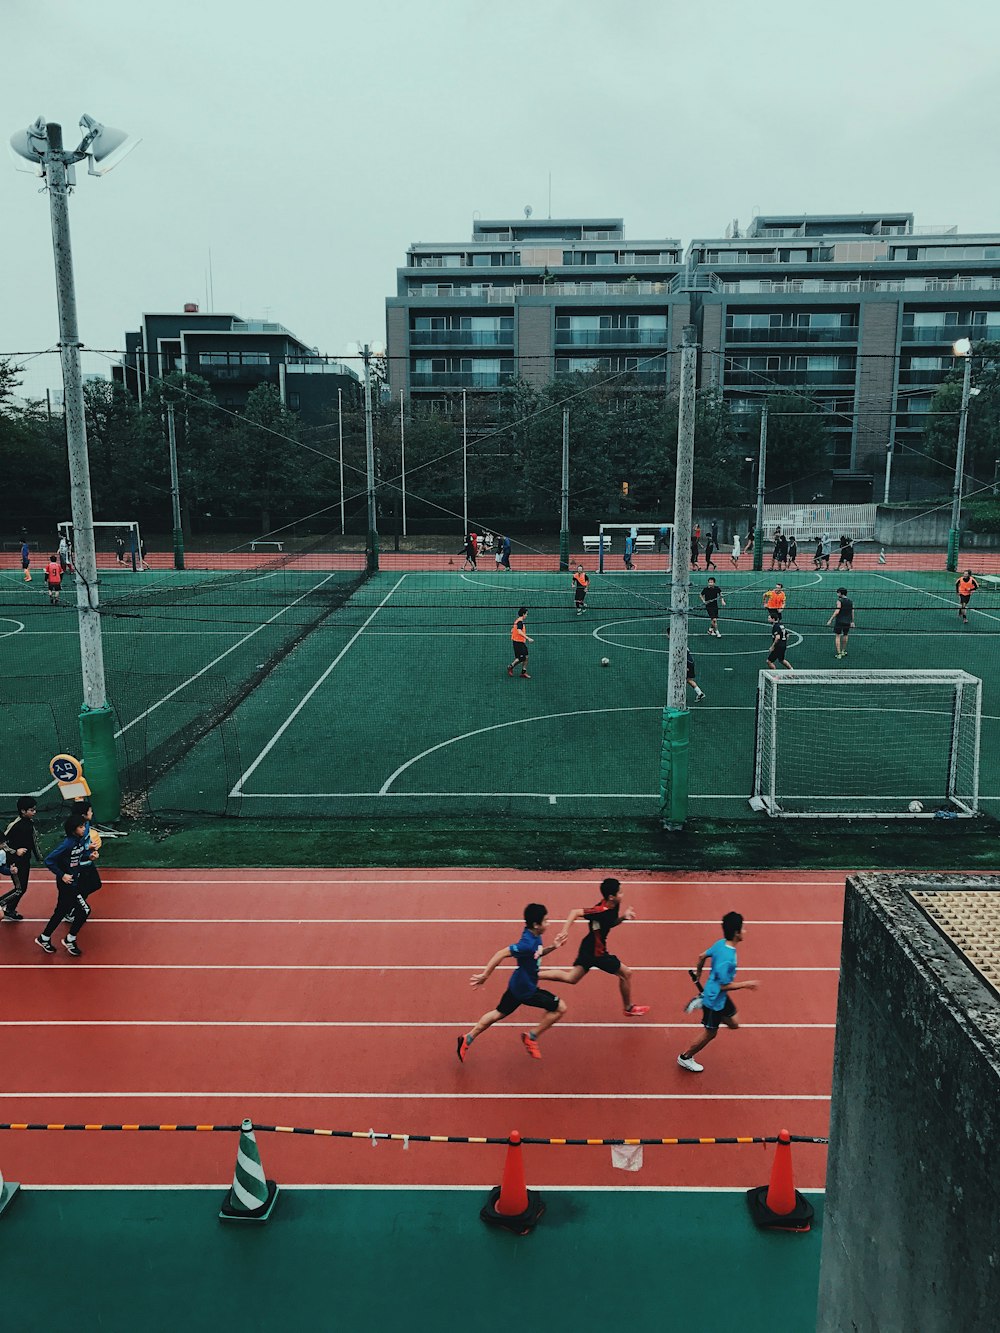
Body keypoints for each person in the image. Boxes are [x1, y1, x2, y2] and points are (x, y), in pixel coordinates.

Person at [457, 903, 566, 1062]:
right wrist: (485, 975)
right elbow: (501, 953)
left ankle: (467, 1038)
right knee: (560, 1008)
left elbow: (538, 952)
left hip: (517, 985)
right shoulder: (526, 944)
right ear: (536, 925)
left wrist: (553, 947)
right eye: (546, 921)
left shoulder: (534, 935)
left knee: (497, 1013)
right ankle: (531, 1037)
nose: (548, 924)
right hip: (526, 990)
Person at [540, 878, 650, 1017]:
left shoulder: (613, 905)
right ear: (611, 896)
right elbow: (574, 912)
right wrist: (564, 931)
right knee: (626, 973)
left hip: (588, 947)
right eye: (620, 892)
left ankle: (535, 975)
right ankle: (628, 1008)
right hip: (597, 952)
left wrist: (623, 918)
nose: (623, 895)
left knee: (571, 978)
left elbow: (608, 923)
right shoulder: (600, 910)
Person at [678, 911, 758, 1073]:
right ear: (736, 933)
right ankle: (685, 1058)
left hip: (718, 996)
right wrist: (746, 984)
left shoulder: (721, 943)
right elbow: (723, 986)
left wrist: (699, 973)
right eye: (743, 929)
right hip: (715, 1000)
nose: (745, 931)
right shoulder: (727, 959)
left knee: (734, 1024)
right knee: (710, 1033)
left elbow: (701, 956)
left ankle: (705, 1003)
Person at [36, 814, 93, 958]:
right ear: (74, 830)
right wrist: (62, 875)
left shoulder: (79, 841)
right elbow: (49, 860)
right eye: (81, 827)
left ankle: (44, 937)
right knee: (85, 910)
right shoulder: (67, 844)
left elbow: (77, 857)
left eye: (84, 826)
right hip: (67, 883)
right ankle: (70, 939)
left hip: (73, 881)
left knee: (61, 911)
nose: (84, 828)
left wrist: (89, 856)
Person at [0, 797, 41, 923]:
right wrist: (15, 851)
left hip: (25, 860)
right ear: (23, 811)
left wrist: (39, 857)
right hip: (14, 861)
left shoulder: (30, 823)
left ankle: (10, 910)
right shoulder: (15, 825)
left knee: (22, 888)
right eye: (31, 810)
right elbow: (3, 843)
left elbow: (33, 841)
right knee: (19, 889)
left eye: (35, 809)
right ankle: (2, 903)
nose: (34, 812)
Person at [827, 587, 854, 659]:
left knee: (838, 636)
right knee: (845, 635)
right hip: (847, 621)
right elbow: (852, 612)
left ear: (841, 593)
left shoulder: (839, 601)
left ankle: (839, 653)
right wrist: (852, 621)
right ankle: (843, 651)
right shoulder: (850, 601)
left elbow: (837, 611)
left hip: (839, 621)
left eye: (838, 592)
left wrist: (830, 619)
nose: (837, 594)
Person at [507, 606, 532, 679]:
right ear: (523, 614)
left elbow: (513, 628)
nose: (526, 615)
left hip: (521, 642)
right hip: (518, 643)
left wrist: (513, 630)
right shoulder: (520, 622)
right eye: (526, 614)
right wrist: (528, 638)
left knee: (526, 657)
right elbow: (519, 631)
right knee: (521, 658)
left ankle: (523, 672)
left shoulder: (518, 620)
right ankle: (510, 667)